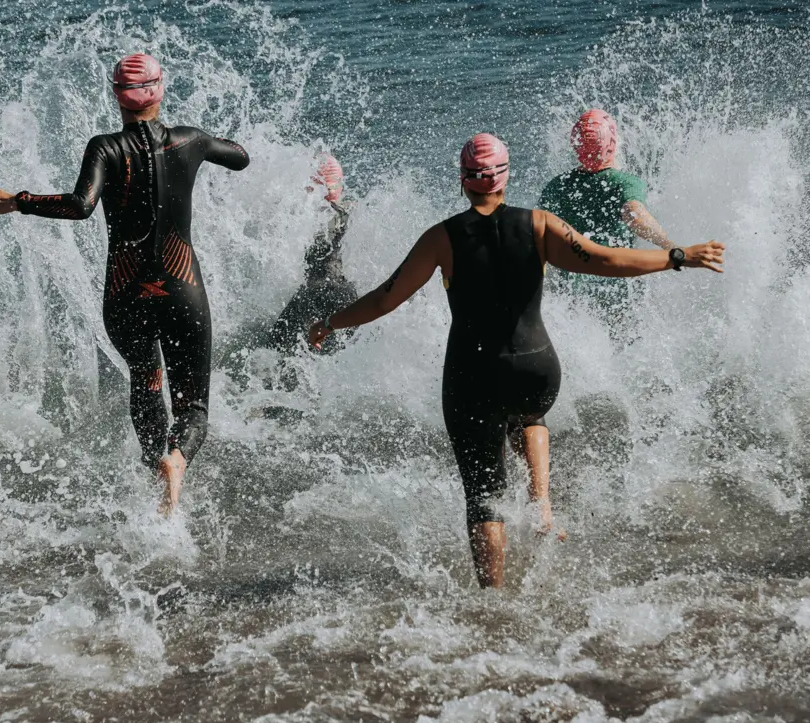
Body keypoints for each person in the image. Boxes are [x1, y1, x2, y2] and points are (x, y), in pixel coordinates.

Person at [308, 133, 724, 588]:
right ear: (505, 179)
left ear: (463, 181)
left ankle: (493, 601)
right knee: (528, 413)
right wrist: (677, 256)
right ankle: (541, 502)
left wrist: (332, 322)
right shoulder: (541, 225)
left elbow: (387, 298)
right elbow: (605, 260)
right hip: (537, 371)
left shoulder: (441, 238)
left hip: (473, 376)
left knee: (483, 496)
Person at [0, 53, 250, 514]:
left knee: (146, 383)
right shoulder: (191, 139)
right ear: (159, 90)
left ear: (116, 96)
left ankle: (152, 479)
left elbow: (80, 205)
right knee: (192, 408)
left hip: (126, 295)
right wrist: (202, 144)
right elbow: (241, 158)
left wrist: (17, 201)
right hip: (183, 288)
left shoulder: (105, 147)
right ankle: (177, 460)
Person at [539, 109, 676, 323]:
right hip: (616, 291)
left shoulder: (556, 186)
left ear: (576, 145)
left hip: (573, 295)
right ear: (612, 142)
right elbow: (635, 216)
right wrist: (670, 247)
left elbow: (540, 235)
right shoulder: (625, 182)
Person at [267, 154, 358, 356]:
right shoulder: (349, 209)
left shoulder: (311, 214)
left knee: (274, 344)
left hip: (315, 292)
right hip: (346, 293)